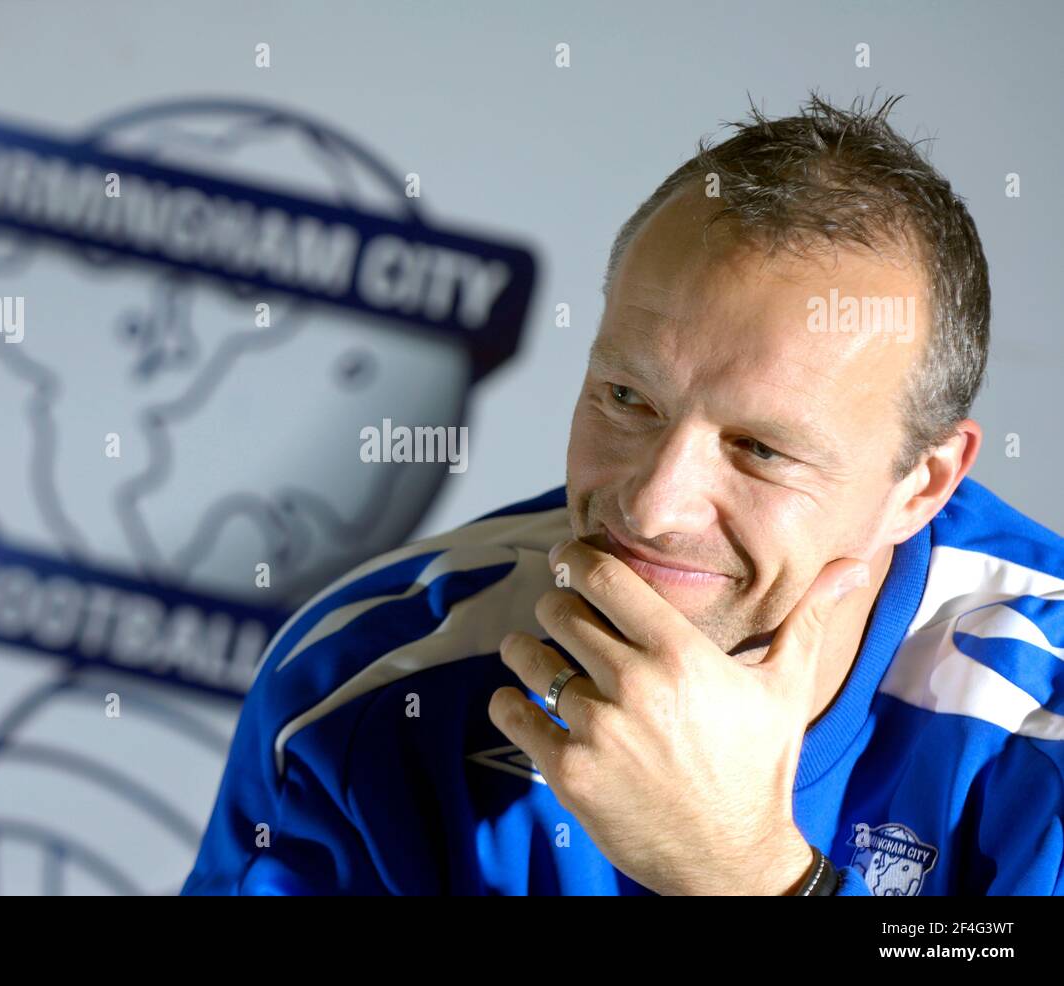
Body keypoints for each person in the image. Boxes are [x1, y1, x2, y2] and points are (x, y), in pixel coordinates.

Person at [181, 93, 1064, 895]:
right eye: (628, 399)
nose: (650, 507)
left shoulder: (1040, 713)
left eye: (759, 449)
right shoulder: (372, 679)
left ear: (922, 484)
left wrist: (746, 875)